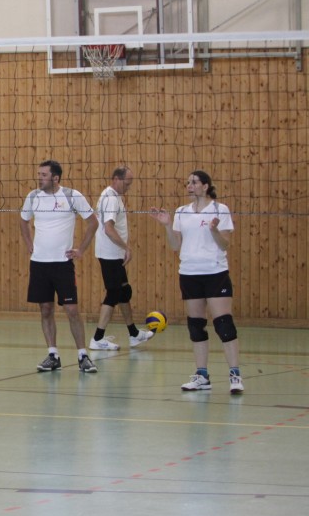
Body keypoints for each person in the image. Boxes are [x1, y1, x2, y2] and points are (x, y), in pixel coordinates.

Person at [149, 171, 243, 394]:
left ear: (205, 186)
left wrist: (214, 230)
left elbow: (224, 244)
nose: (189, 185)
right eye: (188, 182)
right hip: (189, 273)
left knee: (224, 325)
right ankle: (202, 376)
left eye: (194, 182)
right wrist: (167, 225)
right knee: (196, 326)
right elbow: (175, 246)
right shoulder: (182, 212)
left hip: (215, 272)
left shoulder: (220, 209)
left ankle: (235, 375)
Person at [19, 160, 99, 373]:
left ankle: (83, 356)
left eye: (44, 175)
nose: (39, 178)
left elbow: (93, 222)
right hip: (39, 264)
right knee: (45, 309)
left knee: (72, 310)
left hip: (62, 264)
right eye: (39, 174)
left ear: (55, 178)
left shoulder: (72, 196)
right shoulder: (33, 197)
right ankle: (53, 355)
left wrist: (81, 249)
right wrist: (29, 244)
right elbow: (23, 220)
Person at [89, 166, 153, 351]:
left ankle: (133, 334)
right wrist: (127, 248)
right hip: (110, 254)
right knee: (114, 293)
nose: (129, 187)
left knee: (124, 292)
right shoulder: (111, 199)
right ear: (116, 179)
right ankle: (97, 338)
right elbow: (108, 229)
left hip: (113, 254)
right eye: (127, 183)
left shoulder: (113, 196)